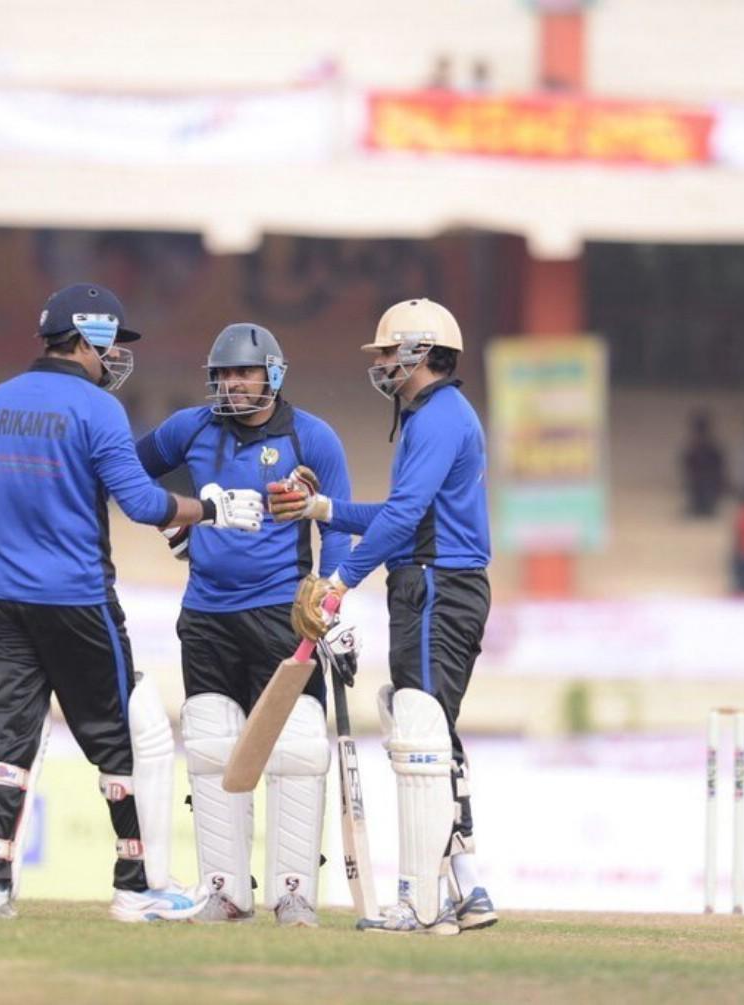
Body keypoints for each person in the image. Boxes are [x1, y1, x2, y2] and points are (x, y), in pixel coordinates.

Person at [0, 283, 263, 922]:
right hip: (79, 601)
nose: (116, 357)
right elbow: (142, 504)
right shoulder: (97, 410)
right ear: (87, 339)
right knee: (120, 739)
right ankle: (134, 886)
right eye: (112, 343)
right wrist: (212, 509)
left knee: (3, 738)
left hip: (5, 601)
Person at [269, 298, 497, 936]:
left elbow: (402, 522)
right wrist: (321, 511)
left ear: (424, 352)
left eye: (390, 353)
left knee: (420, 734)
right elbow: (402, 514)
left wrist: (339, 582)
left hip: (434, 588)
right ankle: (465, 890)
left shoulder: (438, 418)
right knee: (430, 732)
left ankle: (421, 903)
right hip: (438, 583)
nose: (383, 365)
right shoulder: (440, 415)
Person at [135, 322, 354, 927]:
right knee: (209, 747)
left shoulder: (314, 438)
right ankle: (225, 892)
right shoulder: (191, 427)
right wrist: (174, 524)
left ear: (273, 376)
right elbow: (125, 469)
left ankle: (293, 892)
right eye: (223, 374)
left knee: (296, 750)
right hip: (205, 614)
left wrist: (329, 602)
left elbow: (336, 526)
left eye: (243, 373)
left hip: (281, 615)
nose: (231, 384)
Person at [679, 410, 728, 517]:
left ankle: (707, 506)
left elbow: (720, 469)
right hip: (696, 484)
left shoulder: (714, 448)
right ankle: (698, 506)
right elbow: (687, 468)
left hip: (711, 484)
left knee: (707, 483)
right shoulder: (691, 449)